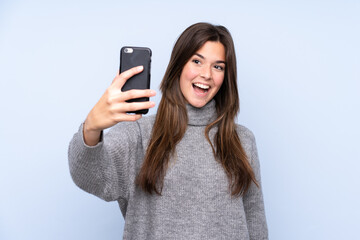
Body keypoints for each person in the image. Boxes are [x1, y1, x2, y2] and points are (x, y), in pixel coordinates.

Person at [68, 22, 268, 240]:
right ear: (179, 65)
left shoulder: (242, 140)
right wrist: (91, 128)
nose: (207, 74)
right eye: (197, 61)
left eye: (218, 67)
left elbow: (255, 222)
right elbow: (89, 177)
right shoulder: (139, 134)